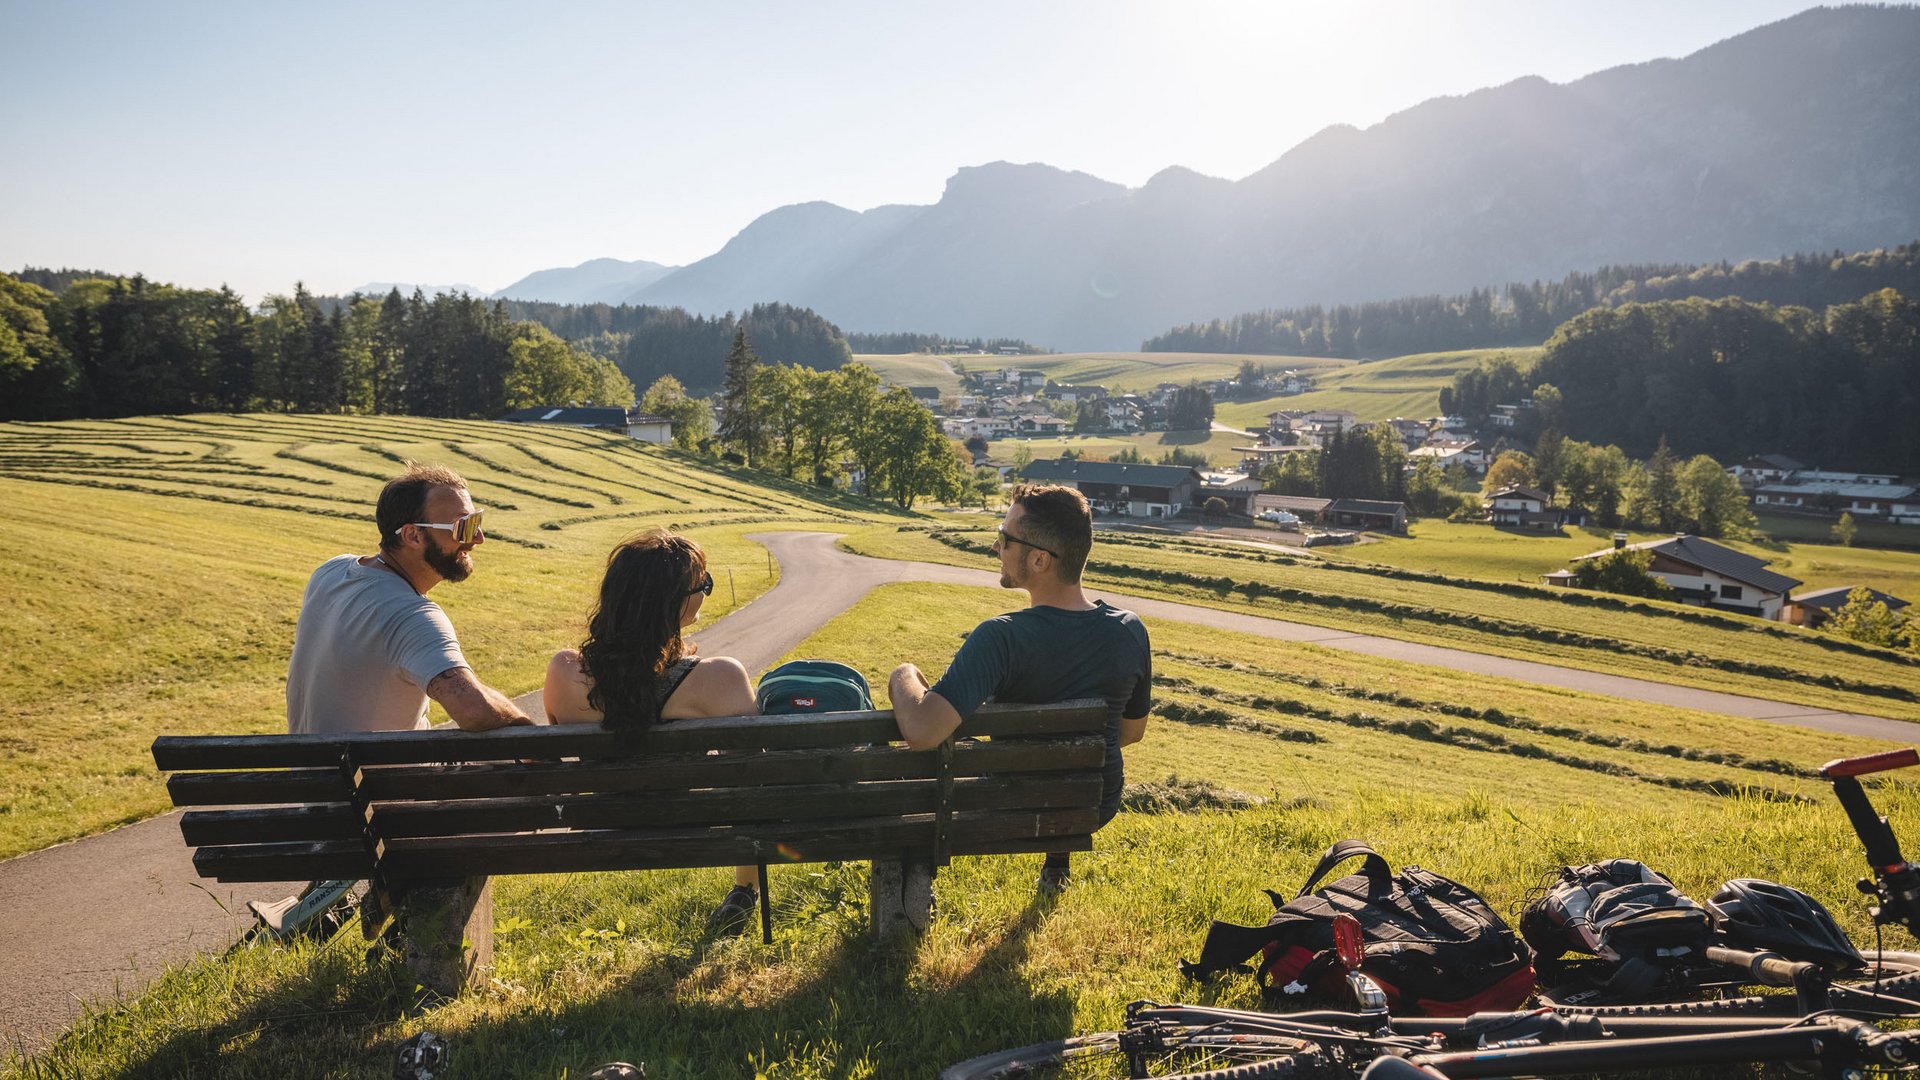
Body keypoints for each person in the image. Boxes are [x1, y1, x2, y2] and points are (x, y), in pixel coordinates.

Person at [887, 482, 1152, 891]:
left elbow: (922, 732)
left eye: (1004, 538)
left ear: (1041, 560)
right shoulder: (1130, 631)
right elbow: (1130, 734)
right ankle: (1057, 862)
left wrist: (902, 673)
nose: (996, 548)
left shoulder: (1000, 639)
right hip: (1092, 805)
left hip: (1011, 806)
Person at [543, 528, 762, 934]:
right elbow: (748, 780)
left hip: (599, 824)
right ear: (676, 603)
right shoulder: (720, 678)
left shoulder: (563, 671)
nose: (705, 592)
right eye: (703, 585)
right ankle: (745, 890)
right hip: (688, 824)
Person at [286, 463, 533, 734]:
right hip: (380, 775)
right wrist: (531, 731)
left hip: (315, 770)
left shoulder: (331, 571)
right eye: (464, 526)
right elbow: (473, 709)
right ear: (413, 535)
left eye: (477, 521)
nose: (478, 538)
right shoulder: (412, 616)